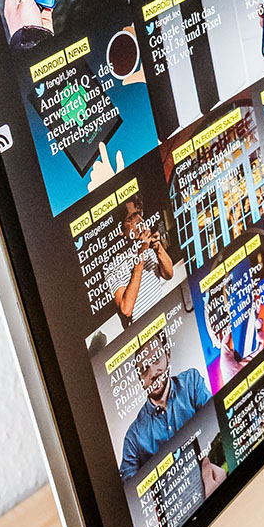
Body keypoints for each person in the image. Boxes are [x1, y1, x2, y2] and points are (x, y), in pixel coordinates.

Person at [118, 335, 211, 480]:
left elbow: (215, 421)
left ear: (168, 355)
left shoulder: (191, 382)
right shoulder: (133, 437)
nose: (153, 373)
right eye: (144, 369)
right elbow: (130, 486)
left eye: (156, 359)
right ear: (139, 378)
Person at [107, 199, 174, 328]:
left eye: (139, 213)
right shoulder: (113, 267)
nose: (140, 219)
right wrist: (141, 255)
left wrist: (158, 247)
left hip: (165, 319)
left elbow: (169, 274)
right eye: (132, 218)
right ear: (120, 229)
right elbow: (126, 309)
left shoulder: (146, 247)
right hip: (144, 332)